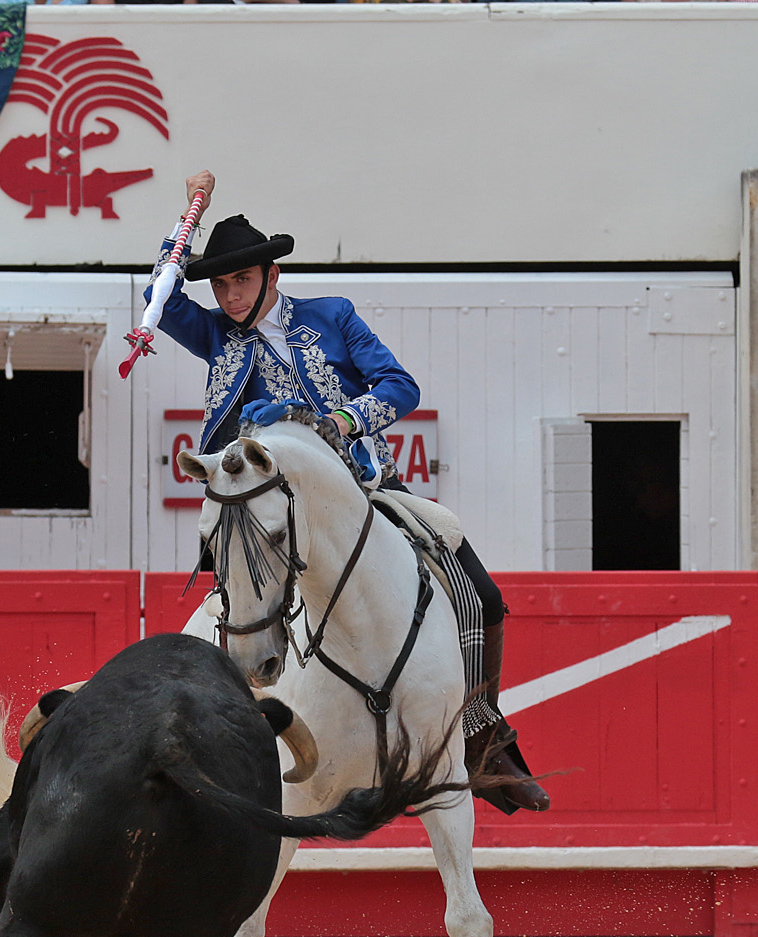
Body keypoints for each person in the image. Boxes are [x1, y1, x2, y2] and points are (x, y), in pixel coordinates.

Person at [149, 169, 547, 813]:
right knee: (234, 600)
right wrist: (186, 220)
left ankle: (479, 731)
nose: (228, 295)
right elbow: (159, 300)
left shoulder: (332, 317)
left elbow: (401, 386)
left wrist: (343, 420)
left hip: (365, 490)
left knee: (483, 594)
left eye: (240, 280)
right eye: (220, 283)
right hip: (274, 511)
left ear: (272, 277)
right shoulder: (217, 335)